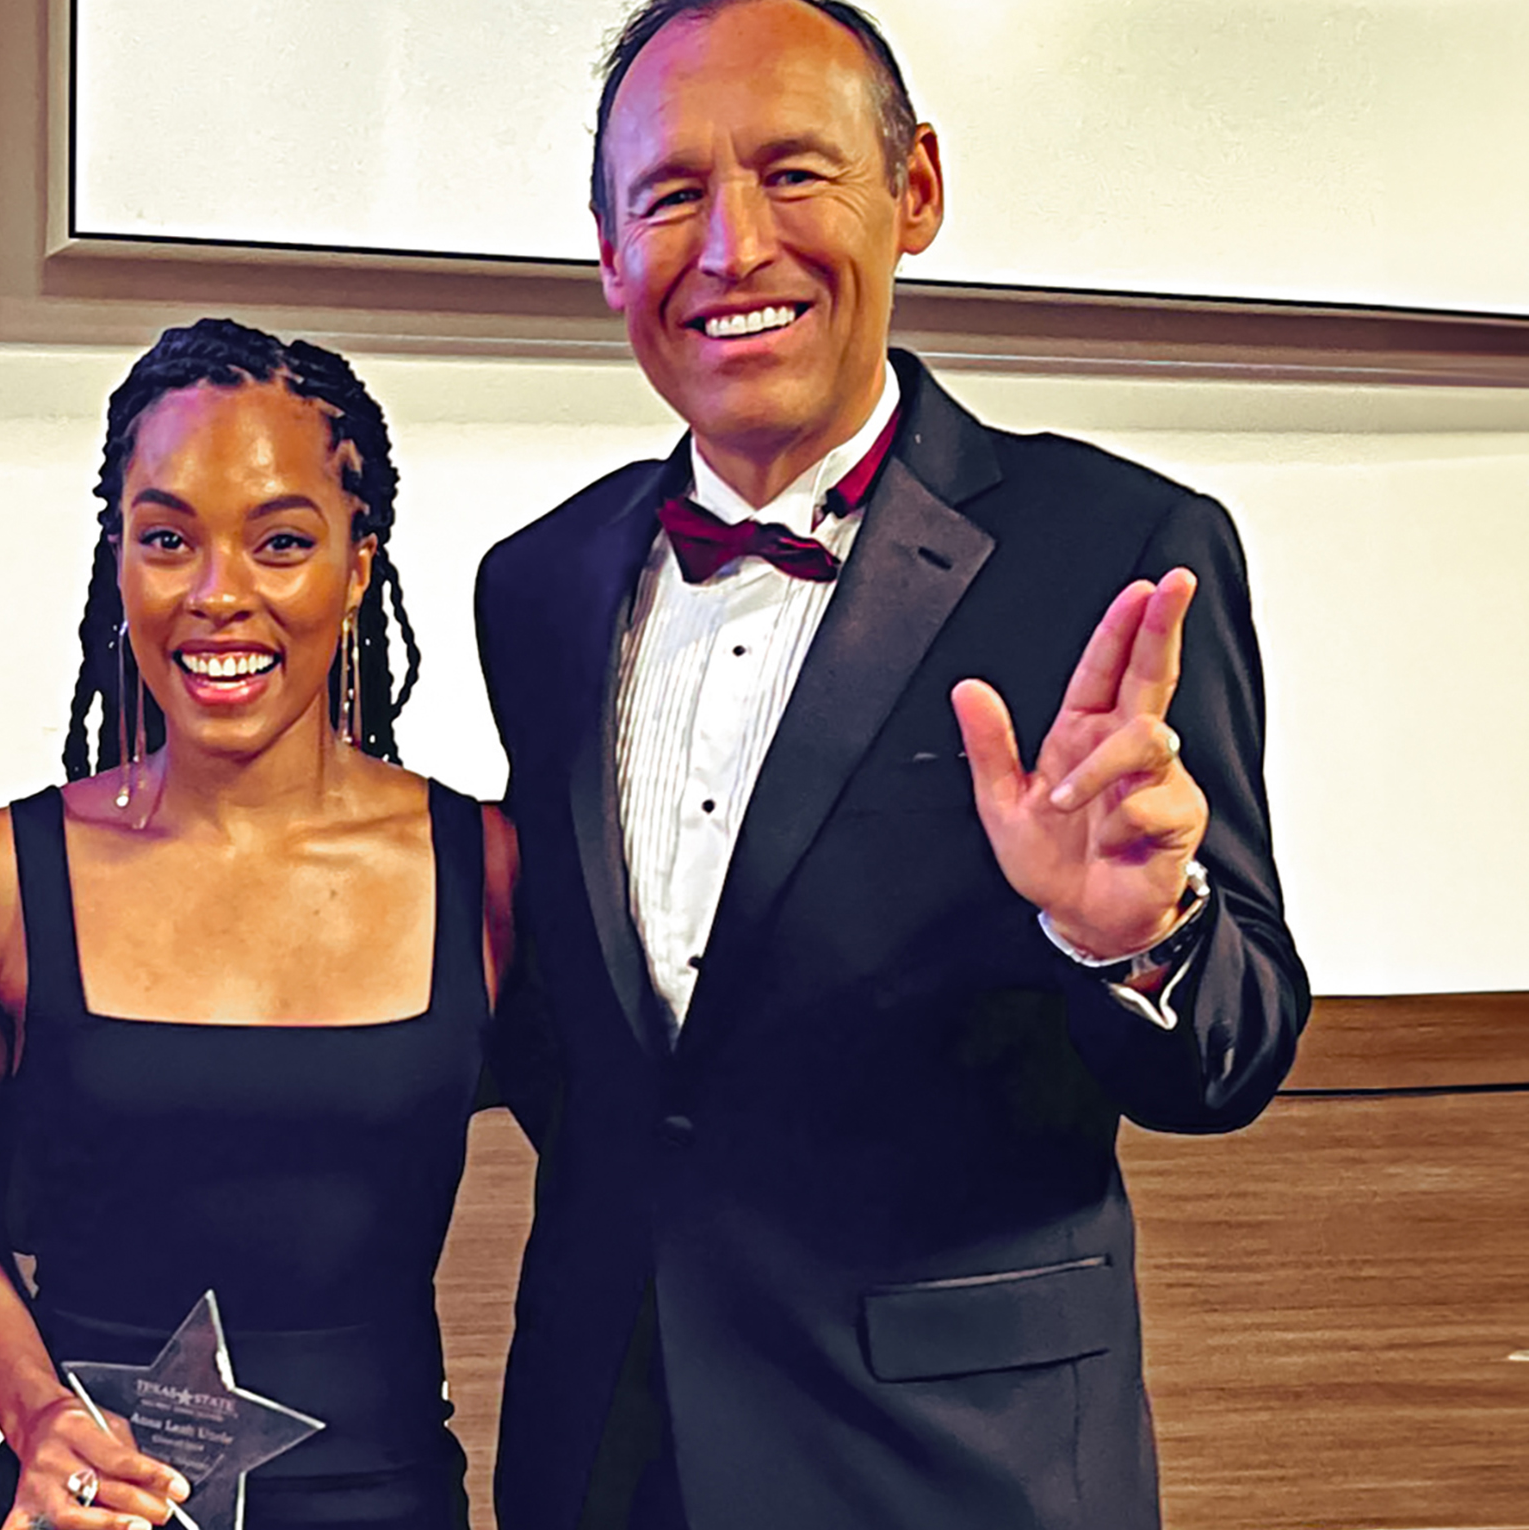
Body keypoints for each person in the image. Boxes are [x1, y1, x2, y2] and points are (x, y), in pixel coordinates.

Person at [473, 4, 1310, 1528]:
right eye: (670, 197)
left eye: (796, 173)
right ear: (605, 251)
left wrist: (1130, 938)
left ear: (915, 186)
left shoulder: (1116, 551)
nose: (733, 248)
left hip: (958, 1464)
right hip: (607, 1447)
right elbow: (580, 1041)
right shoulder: (533, 585)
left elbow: (1234, 1052)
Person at [0, 318, 518, 1530]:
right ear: (119, 563)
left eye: (281, 541)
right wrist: (36, 1420)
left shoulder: (487, 871)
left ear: (356, 565)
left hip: (388, 1505)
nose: (217, 593)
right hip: (88, 1508)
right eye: (167, 539)